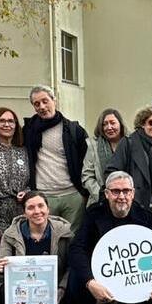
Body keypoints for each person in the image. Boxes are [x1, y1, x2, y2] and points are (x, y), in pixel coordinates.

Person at [69, 171, 152, 304]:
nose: (121, 196)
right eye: (116, 191)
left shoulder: (146, 216)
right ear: (107, 194)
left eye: (126, 191)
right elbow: (76, 248)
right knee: (76, 279)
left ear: (132, 193)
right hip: (99, 272)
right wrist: (90, 282)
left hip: (132, 273)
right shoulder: (93, 214)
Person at [0, 191, 74, 304]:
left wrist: (62, 288)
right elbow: (1, 273)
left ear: (48, 209)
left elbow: (72, 265)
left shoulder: (65, 232)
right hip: (22, 292)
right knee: (3, 289)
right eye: (30, 207)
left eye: (41, 206)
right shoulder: (10, 235)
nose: (37, 211)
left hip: (53, 291)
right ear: (24, 212)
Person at [22, 85, 91, 231]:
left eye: (45, 101)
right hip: (44, 197)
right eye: (37, 103)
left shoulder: (74, 130)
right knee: (47, 240)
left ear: (55, 100)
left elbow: (88, 162)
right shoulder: (28, 130)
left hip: (72, 196)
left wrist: (83, 193)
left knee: (72, 241)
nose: (42, 106)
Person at [106, 107, 152, 218]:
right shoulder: (128, 143)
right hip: (135, 207)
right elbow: (112, 172)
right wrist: (124, 195)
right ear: (142, 124)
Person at [82, 108, 127, 206]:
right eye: (104, 124)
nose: (109, 127)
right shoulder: (93, 145)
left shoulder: (131, 144)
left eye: (112, 123)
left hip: (127, 200)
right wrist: (102, 195)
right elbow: (87, 176)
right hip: (100, 201)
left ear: (120, 124)